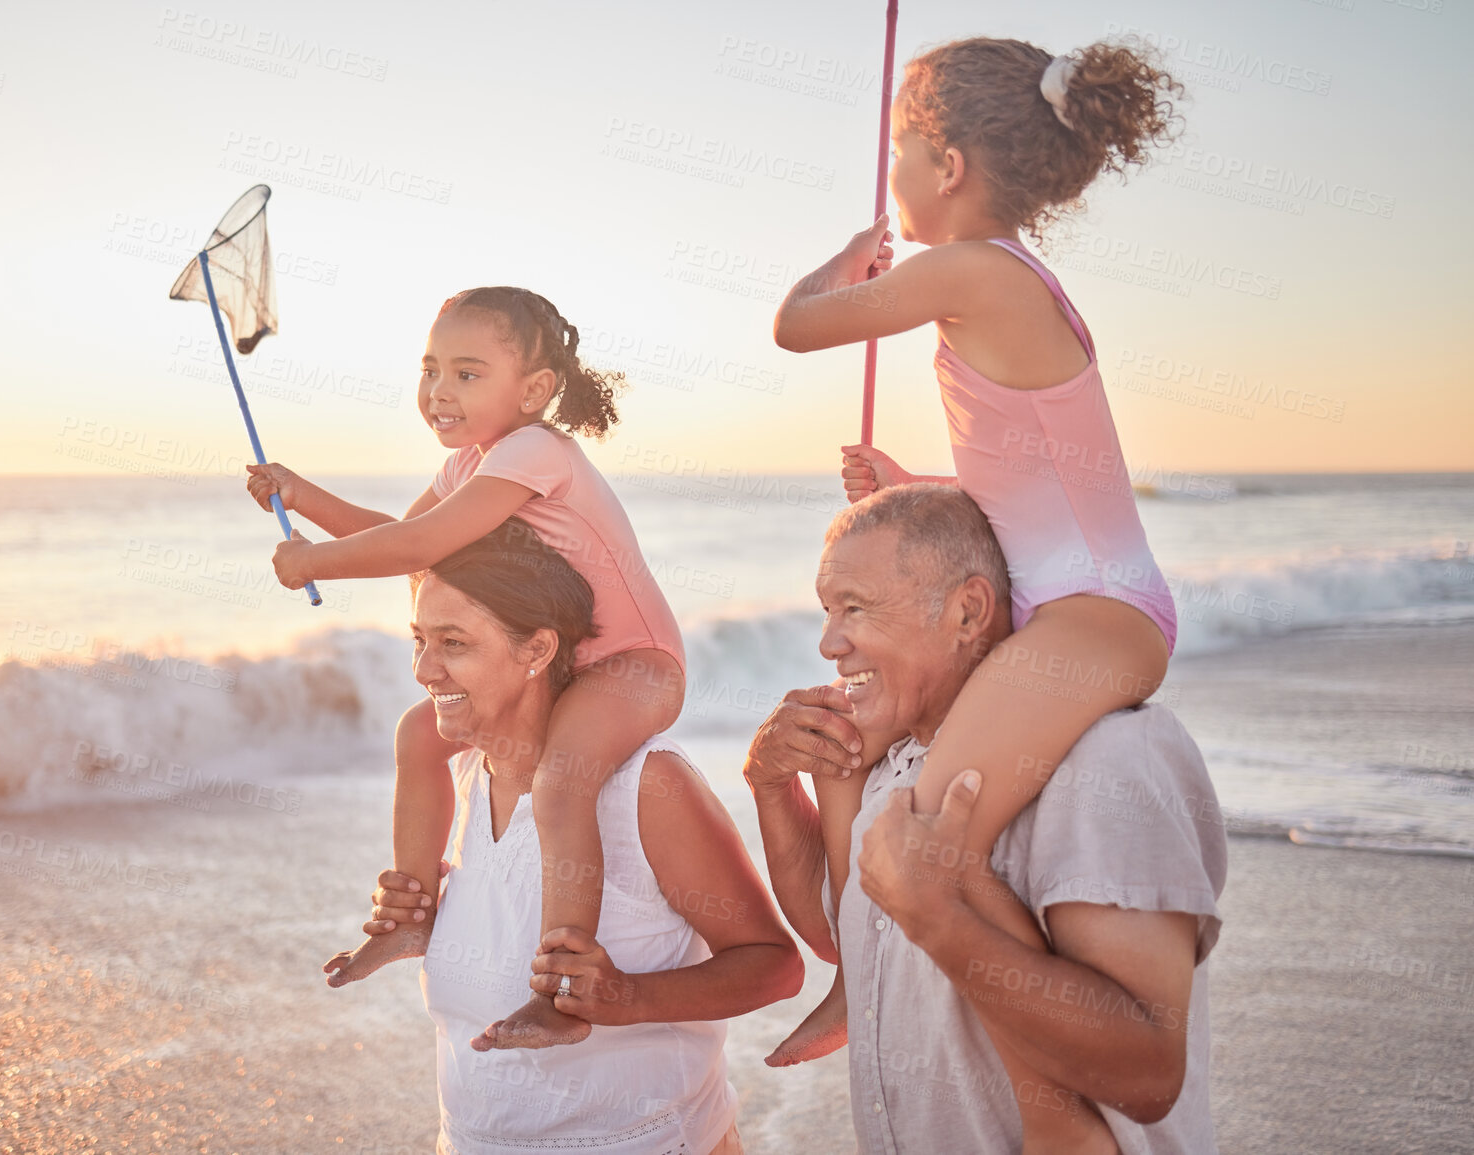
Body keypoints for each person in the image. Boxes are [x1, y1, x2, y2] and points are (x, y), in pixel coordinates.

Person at [769, 34, 1186, 1150]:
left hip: (1093, 620)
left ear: (946, 166)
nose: (894, 179)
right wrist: (919, 485)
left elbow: (797, 327)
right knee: (919, 846)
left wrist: (845, 262)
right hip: (1086, 603)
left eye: (900, 151)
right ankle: (884, 982)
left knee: (917, 846)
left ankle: (1057, 1121)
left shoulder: (969, 269)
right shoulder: (1009, 282)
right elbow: (1039, 482)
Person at [249, 287, 685, 1049]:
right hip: (552, 665)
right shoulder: (469, 465)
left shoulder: (535, 452)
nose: (439, 391)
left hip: (631, 663)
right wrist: (301, 495)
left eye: (467, 373)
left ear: (535, 390)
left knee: (562, 777)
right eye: (430, 370)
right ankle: (410, 918)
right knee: (421, 735)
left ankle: (560, 986)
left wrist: (314, 562)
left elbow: (421, 548)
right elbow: (410, 534)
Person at [748, 485, 1226, 1153]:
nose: (829, 642)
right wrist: (769, 785)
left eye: (855, 608)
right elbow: (844, 938)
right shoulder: (894, 758)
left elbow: (1145, 1071)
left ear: (967, 610)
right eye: (827, 610)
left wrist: (942, 919)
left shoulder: (1109, 759)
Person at [347, 519, 802, 1154]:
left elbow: (775, 965)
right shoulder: (461, 774)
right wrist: (426, 919)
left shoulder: (647, 787)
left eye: (454, 643)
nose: (425, 668)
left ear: (535, 650)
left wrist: (629, 997)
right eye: (419, 640)